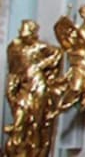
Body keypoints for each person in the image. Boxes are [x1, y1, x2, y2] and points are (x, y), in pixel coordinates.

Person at [5, 20, 65, 156]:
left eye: (25, 31)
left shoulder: (39, 47)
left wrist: (41, 65)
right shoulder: (14, 47)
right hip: (22, 85)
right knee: (19, 119)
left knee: (37, 122)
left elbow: (58, 53)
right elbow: (12, 69)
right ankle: (16, 149)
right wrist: (11, 90)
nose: (22, 33)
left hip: (38, 85)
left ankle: (35, 149)